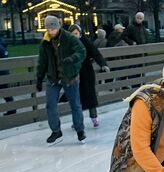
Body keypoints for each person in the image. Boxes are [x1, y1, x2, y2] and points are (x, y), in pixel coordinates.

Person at [36, 16, 86, 144]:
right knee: (50, 104)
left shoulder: (68, 38)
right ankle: (56, 131)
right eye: (49, 29)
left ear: (58, 27)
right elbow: (42, 62)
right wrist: (39, 77)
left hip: (70, 76)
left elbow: (81, 51)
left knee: (75, 104)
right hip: (53, 77)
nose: (51, 31)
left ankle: (80, 130)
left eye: (53, 28)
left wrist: (72, 58)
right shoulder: (45, 42)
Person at [69, 24, 110, 128]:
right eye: (73, 34)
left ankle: (94, 117)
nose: (75, 36)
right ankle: (77, 121)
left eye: (76, 34)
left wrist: (103, 64)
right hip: (74, 73)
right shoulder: (67, 44)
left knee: (90, 95)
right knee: (76, 98)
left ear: (80, 33)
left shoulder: (85, 41)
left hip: (86, 72)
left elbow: (95, 53)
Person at [0, 37, 15, 116]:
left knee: (5, 92)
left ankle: (12, 109)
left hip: (1, 73)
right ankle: (12, 109)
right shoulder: (3, 46)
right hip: (4, 72)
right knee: (6, 92)